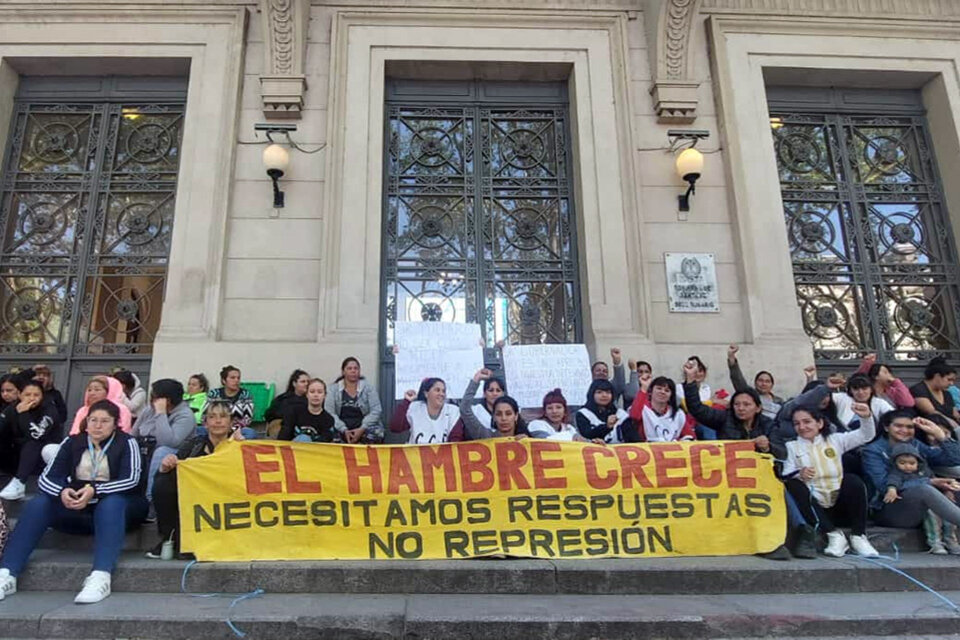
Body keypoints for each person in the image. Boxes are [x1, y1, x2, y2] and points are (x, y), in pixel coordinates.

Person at [0, 399, 147, 604]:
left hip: (120, 509)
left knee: (111, 504)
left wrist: (94, 491)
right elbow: (46, 478)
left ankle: (100, 576)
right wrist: (63, 492)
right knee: (39, 503)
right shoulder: (72, 442)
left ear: (116, 423)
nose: (97, 425)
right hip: (76, 506)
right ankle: (7, 573)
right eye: (93, 420)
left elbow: (131, 480)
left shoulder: (127, 442)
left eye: (105, 421)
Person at [781, 403, 879, 558]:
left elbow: (865, 435)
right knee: (794, 485)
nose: (802, 427)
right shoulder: (791, 447)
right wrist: (799, 473)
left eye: (807, 422)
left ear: (819, 423)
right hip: (815, 508)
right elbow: (786, 473)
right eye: (797, 423)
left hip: (839, 504)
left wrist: (866, 417)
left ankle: (859, 536)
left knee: (852, 480)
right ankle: (834, 536)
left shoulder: (836, 440)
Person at [148, 402, 242, 560]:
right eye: (212, 417)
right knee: (163, 481)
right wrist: (165, 466)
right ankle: (169, 537)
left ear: (231, 423)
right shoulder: (194, 445)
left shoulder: (241, 445)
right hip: (195, 499)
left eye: (223, 417)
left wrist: (242, 448)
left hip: (228, 498)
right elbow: (174, 467)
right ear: (205, 423)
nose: (218, 421)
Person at [861, 410, 960, 529]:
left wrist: (941, 436)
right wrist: (931, 482)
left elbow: (954, 459)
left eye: (909, 427)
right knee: (924, 489)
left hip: (920, 507)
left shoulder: (914, 444)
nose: (904, 430)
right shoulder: (873, 451)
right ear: (886, 427)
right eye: (898, 426)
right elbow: (883, 486)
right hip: (888, 509)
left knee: (953, 486)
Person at [882, 443, 960, 555]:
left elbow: (935, 481)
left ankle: (950, 540)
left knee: (948, 515)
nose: (907, 466)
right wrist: (892, 490)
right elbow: (893, 482)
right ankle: (935, 542)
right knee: (931, 516)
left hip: (934, 500)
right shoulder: (897, 473)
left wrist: (947, 490)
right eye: (902, 463)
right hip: (915, 505)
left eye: (911, 463)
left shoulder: (924, 472)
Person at [132, 379, 195, 507]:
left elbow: (168, 442)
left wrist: (161, 414)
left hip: (173, 455)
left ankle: (151, 501)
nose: (151, 399)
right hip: (146, 450)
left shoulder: (185, 416)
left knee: (162, 451)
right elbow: (134, 434)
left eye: (154, 396)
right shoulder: (148, 411)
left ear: (167, 400)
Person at [0, 380, 63, 500]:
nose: (32, 398)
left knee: (33, 443)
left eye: (36, 395)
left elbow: (36, 435)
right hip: (17, 457)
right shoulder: (13, 408)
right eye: (27, 395)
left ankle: (19, 484)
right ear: (19, 395)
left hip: (41, 458)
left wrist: (24, 414)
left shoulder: (49, 409)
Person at [325, 358, 384, 444]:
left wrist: (362, 428)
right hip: (341, 427)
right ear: (343, 371)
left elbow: (376, 410)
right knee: (329, 435)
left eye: (356, 368)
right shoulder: (333, 389)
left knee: (377, 434)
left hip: (364, 427)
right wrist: (343, 429)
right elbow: (329, 412)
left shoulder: (369, 388)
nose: (353, 371)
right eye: (349, 368)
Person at [390, 378, 464, 444]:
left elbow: (455, 442)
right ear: (426, 394)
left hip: (442, 457)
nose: (441, 394)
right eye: (437, 390)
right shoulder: (415, 408)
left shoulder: (453, 411)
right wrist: (406, 402)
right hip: (415, 457)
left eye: (443, 391)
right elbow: (395, 427)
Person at [626, 376, 695, 443]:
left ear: (671, 396)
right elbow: (634, 416)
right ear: (651, 392)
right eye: (659, 388)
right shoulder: (643, 409)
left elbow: (690, 436)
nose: (662, 392)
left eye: (667, 390)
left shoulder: (678, 414)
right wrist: (644, 388)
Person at [727, 344, 783, 420]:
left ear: (772, 385)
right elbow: (737, 380)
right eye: (761, 380)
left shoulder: (779, 401)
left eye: (767, 381)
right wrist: (731, 357)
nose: (763, 384)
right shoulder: (750, 395)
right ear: (755, 383)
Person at [203, 366, 255, 439]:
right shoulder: (214, 394)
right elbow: (205, 415)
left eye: (238, 378)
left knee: (250, 433)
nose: (236, 380)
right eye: (232, 378)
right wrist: (213, 427)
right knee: (198, 431)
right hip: (214, 427)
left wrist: (232, 428)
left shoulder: (245, 394)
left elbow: (247, 418)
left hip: (235, 429)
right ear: (224, 380)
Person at [69, 376, 133, 436]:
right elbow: (75, 432)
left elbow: (124, 432)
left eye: (97, 390)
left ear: (109, 392)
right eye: (89, 390)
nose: (92, 393)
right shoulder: (83, 410)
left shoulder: (122, 410)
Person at [910, 357, 960, 431]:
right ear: (937, 376)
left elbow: (955, 414)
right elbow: (932, 412)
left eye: (953, 381)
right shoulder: (919, 390)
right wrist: (954, 425)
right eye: (949, 379)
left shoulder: (946, 393)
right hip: (931, 430)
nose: (951, 384)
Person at [278, 379, 337, 443]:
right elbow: (283, 436)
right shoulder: (294, 412)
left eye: (319, 392)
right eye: (312, 392)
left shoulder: (328, 419)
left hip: (314, 451)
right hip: (292, 449)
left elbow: (325, 441)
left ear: (325, 395)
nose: (316, 395)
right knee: (303, 438)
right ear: (307, 394)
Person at [528, 389, 597, 442]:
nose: (554, 411)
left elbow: (581, 441)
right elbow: (545, 442)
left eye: (558, 407)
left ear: (565, 411)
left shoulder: (569, 428)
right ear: (545, 412)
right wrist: (571, 438)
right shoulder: (536, 424)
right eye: (550, 408)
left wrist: (593, 442)